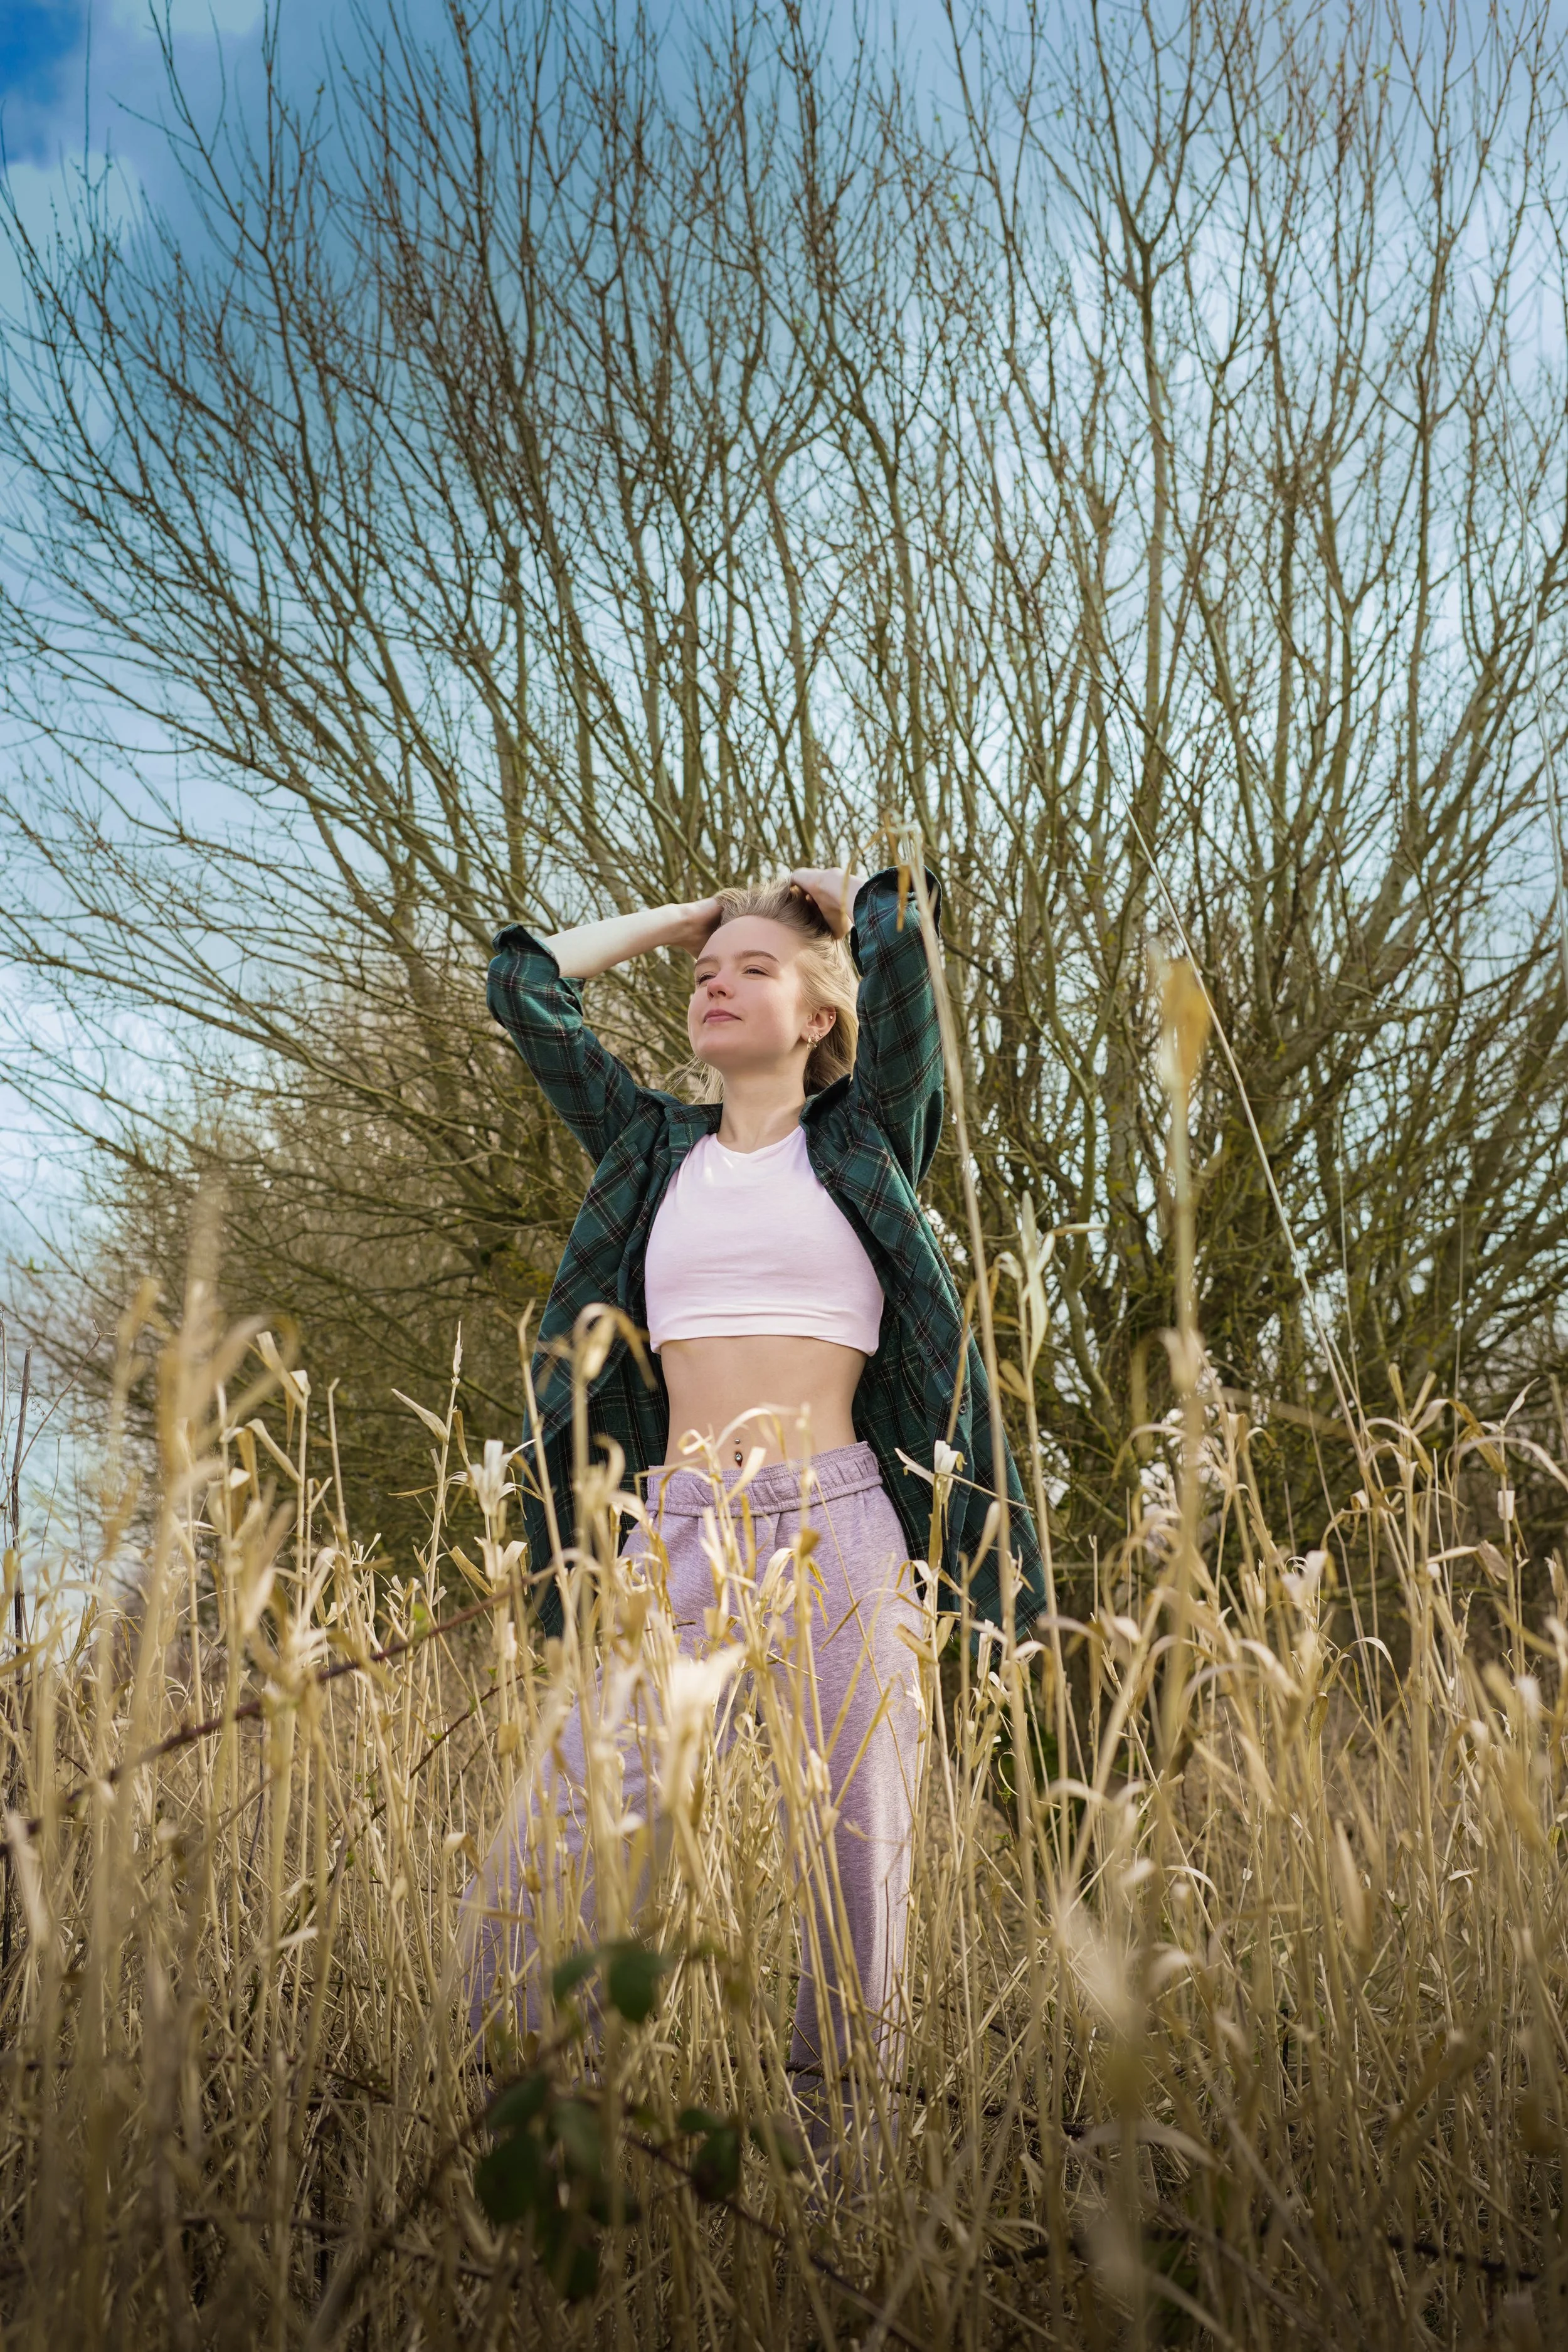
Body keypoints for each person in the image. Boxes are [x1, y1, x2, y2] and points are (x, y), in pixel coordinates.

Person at [462, 859, 1043, 2121]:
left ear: (820, 1013)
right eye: (703, 977)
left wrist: (853, 902)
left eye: (753, 970)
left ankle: (845, 2175)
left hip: (838, 1525)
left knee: (854, 1857)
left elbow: (909, 968)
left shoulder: (871, 1136)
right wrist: (689, 920)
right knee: (566, 1829)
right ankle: (530, 2124)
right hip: (671, 1529)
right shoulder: (648, 1146)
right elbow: (524, 987)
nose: (716, 986)